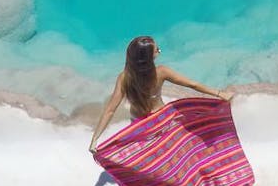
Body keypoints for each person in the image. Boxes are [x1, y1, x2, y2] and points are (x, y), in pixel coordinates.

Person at [89, 35, 234, 153]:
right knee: (168, 152)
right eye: (158, 50)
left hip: (139, 124)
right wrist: (220, 93)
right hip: (161, 120)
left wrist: (95, 139)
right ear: (148, 58)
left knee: (149, 155)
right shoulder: (161, 72)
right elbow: (192, 84)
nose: (159, 51)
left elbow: (110, 110)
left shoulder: (124, 77)